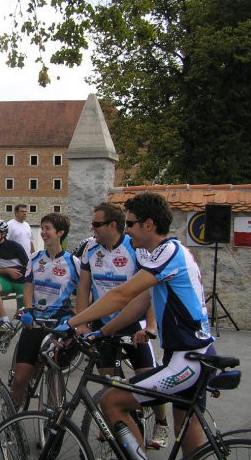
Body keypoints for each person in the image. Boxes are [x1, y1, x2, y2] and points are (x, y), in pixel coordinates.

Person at [62, 192, 215, 458]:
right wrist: (101, 332)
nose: (127, 230)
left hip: (187, 359)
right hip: (193, 355)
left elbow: (121, 295)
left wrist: (71, 323)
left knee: (111, 401)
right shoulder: (170, 253)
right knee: (186, 427)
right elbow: (137, 304)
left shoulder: (167, 252)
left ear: (149, 224)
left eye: (131, 224)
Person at [76, 202, 168, 448]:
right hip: (104, 323)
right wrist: (82, 324)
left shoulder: (134, 249)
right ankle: (118, 421)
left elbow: (146, 291)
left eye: (97, 224)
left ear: (112, 225)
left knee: (147, 378)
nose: (92, 228)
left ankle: (161, 422)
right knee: (109, 383)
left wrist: (150, 325)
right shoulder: (89, 248)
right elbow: (83, 289)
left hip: (132, 323)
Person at [11, 212, 80, 406]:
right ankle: (9, 421)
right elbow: (29, 286)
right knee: (20, 379)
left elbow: (85, 293)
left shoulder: (73, 262)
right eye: (42, 228)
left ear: (60, 232)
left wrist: (76, 317)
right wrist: (29, 309)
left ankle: (51, 426)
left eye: (47, 228)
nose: (43, 233)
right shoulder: (34, 258)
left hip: (58, 326)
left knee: (54, 378)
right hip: (35, 323)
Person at [0, 219, 29, 334]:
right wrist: (7, 270)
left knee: (22, 318)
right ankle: (5, 320)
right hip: (5, 281)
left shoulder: (15, 246)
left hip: (22, 282)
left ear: (3, 234)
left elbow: (29, 266)